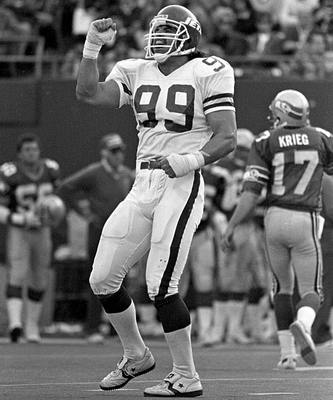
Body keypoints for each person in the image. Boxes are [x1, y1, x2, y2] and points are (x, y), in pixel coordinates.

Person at [76, 4, 236, 397]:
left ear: (189, 38)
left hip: (181, 182)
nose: (157, 40)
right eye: (156, 32)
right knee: (102, 278)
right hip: (143, 182)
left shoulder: (210, 70)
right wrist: (92, 46)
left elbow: (227, 136)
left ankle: (186, 375)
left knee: (160, 284)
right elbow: (88, 93)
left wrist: (189, 160)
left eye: (168, 33)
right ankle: (136, 354)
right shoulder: (135, 69)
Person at [222, 89, 333, 370]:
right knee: (312, 291)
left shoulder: (264, 140)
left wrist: (232, 225)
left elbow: (250, 193)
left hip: (273, 218)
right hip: (305, 217)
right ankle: (304, 325)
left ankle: (287, 354)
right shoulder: (322, 137)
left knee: (281, 288)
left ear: (282, 111)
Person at [57, 133, 134, 343]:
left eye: (120, 151)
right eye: (114, 151)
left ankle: (114, 329)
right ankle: (91, 327)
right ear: (104, 153)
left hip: (122, 234)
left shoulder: (127, 175)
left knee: (121, 282)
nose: (118, 155)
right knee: (97, 279)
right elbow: (66, 187)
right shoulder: (94, 172)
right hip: (99, 232)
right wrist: (84, 211)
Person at [0, 133, 61, 343]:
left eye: (34, 149)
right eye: (27, 150)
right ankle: (16, 324)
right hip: (20, 229)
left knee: (39, 277)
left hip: (42, 230)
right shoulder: (10, 173)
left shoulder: (51, 170)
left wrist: (53, 214)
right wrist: (19, 218)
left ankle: (32, 325)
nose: (32, 153)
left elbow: (57, 198)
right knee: (16, 273)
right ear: (19, 153)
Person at [311, 173, 333, 346]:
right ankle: (318, 331)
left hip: (309, 232)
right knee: (325, 285)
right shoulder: (325, 179)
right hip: (326, 236)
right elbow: (331, 210)